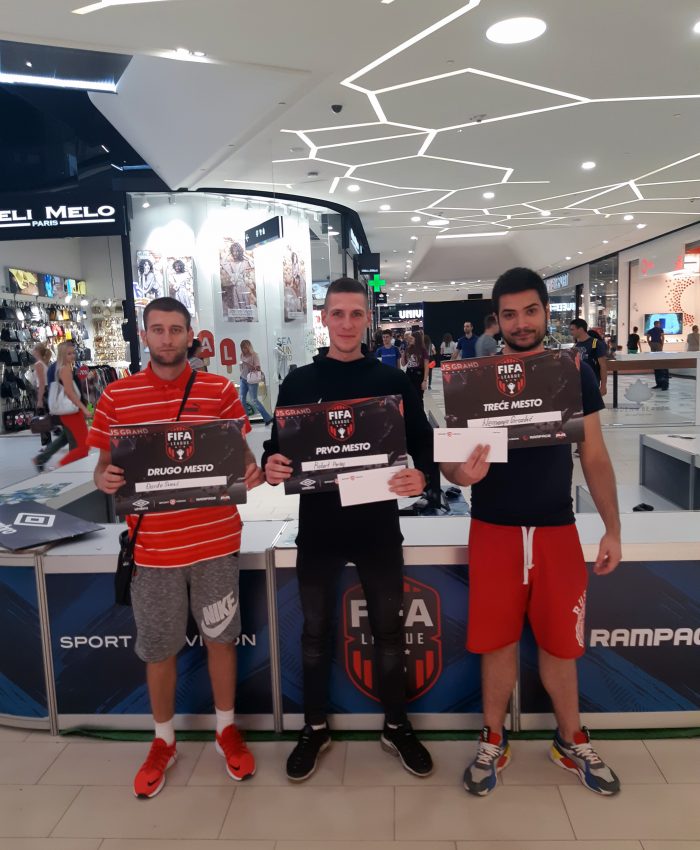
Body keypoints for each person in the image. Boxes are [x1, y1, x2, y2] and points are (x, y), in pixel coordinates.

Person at [442, 267, 622, 798]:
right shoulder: (473, 379)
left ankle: (571, 739)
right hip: (493, 528)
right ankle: (493, 737)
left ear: (546, 313)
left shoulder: (571, 373)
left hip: (555, 528)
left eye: (530, 311)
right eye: (510, 314)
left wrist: (612, 528)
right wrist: (460, 473)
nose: (520, 323)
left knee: (561, 645)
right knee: (496, 643)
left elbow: (594, 454)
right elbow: (450, 462)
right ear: (496, 321)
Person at [262, 277, 435, 782]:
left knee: (389, 633)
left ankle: (396, 725)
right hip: (319, 528)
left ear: (367, 320)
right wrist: (272, 465)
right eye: (337, 313)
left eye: (356, 314)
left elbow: (423, 443)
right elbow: (276, 450)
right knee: (314, 633)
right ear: (323, 318)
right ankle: (314, 727)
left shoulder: (392, 382)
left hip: (377, 526)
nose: (346, 323)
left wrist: (423, 476)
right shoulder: (298, 383)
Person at [90, 297, 264, 798]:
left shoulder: (219, 390)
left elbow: (242, 455)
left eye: (175, 329)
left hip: (215, 542)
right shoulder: (116, 397)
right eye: (158, 329)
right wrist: (105, 479)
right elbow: (103, 467)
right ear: (144, 335)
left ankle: (226, 729)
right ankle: (163, 740)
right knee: (158, 649)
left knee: (221, 639)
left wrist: (250, 472)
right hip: (154, 550)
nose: (166, 338)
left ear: (191, 335)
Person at [50, 341, 90, 467]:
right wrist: (83, 408)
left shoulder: (66, 368)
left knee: (83, 445)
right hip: (71, 412)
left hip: (71, 411)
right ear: (62, 355)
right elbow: (69, 392)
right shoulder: (65, 369)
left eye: (73, 353)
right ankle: (61, 465)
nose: (72, 356)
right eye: (69, 354)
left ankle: (69, 466)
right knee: (84, 445)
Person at [569, 319, 608, 396]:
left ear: (580, 329)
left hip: (591, 382)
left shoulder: (595, 343)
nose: (571, 332)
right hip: (578, 384)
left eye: (572, 329)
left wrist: (603, 386)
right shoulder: (575, 345)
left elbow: (603, 366)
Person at [239, 339, 273, 425]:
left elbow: (258, 368)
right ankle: (246, 421)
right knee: (242, 399)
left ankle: (267, 418)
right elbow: (241, 367)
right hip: (243, 379)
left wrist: (249, 365)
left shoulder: (254, 355)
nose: (243, 349)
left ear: (249, 347)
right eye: (242, 348)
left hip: (252, 380)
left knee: (254, 400)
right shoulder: (241, 355)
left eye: (245, 347)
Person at [401, 329, 429, 403]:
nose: (409, 340)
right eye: (409, 338)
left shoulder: (423, 350)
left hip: (419, 374)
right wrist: (403, 354)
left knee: (419, 397)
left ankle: (420, 410)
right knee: (409, 396)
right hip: (409, 373)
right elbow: (403, 364)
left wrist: (425, 380)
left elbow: (426, 366)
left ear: (417, 339)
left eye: (411, 338)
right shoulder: (408, 349)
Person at [646, 320, 668, 390]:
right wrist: (662, 345)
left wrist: (650, 344)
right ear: (658, 324)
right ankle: (660, 369)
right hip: (658, 344)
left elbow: (647, 338)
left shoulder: (650, 330)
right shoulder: (660, 329)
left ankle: (656, 367)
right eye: (659, 324)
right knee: (659, 358)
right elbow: (663, 337)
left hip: (652, 344)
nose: (659, 325)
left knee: (654, 358)